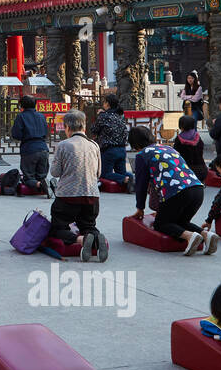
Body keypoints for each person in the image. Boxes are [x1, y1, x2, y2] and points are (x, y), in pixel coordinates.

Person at [129, 126, 213, 255]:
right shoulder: (168, 148)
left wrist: (140, 208)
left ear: (134, 144)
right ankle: (206, 235)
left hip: (177, 192)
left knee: (161, 224)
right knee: (180, 222)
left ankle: (190, 236)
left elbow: (141, 184)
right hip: (197, 189)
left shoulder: (142, 155)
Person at [48, 110, 106, 262]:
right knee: (88, 225)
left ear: (67, 127)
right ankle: (95, 237)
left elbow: (54, 172)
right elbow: (98, 173)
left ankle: (81, 240)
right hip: (92, 196)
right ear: (84, 127)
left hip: (68, 197)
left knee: (57, 228)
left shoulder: (63, 145)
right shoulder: (94, 145)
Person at [10, 95, 50, 195]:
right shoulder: (41, 116)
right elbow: (46, 132)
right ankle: (47, 185)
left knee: (28, 178)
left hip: (29, 150)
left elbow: (16, 134)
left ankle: (41, 185)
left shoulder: (21, 116)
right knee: (41, 176)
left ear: (22, 105)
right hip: (44, 149)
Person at [91, 93, 132, 188]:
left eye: (104, 102)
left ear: (107, 104)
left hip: (109, 150)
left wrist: (100, 114)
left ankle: (126, 180)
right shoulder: (120, 116)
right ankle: (133, 179)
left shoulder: (104, 116)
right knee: (122, 172)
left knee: (104, 174)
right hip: (122, 149)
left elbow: (93, 129)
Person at [172, 114, 209, 181]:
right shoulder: (197, 137)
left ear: (181, 126)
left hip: (185, 171)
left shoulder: (179, 139)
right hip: (201, 170)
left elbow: (176, 156)